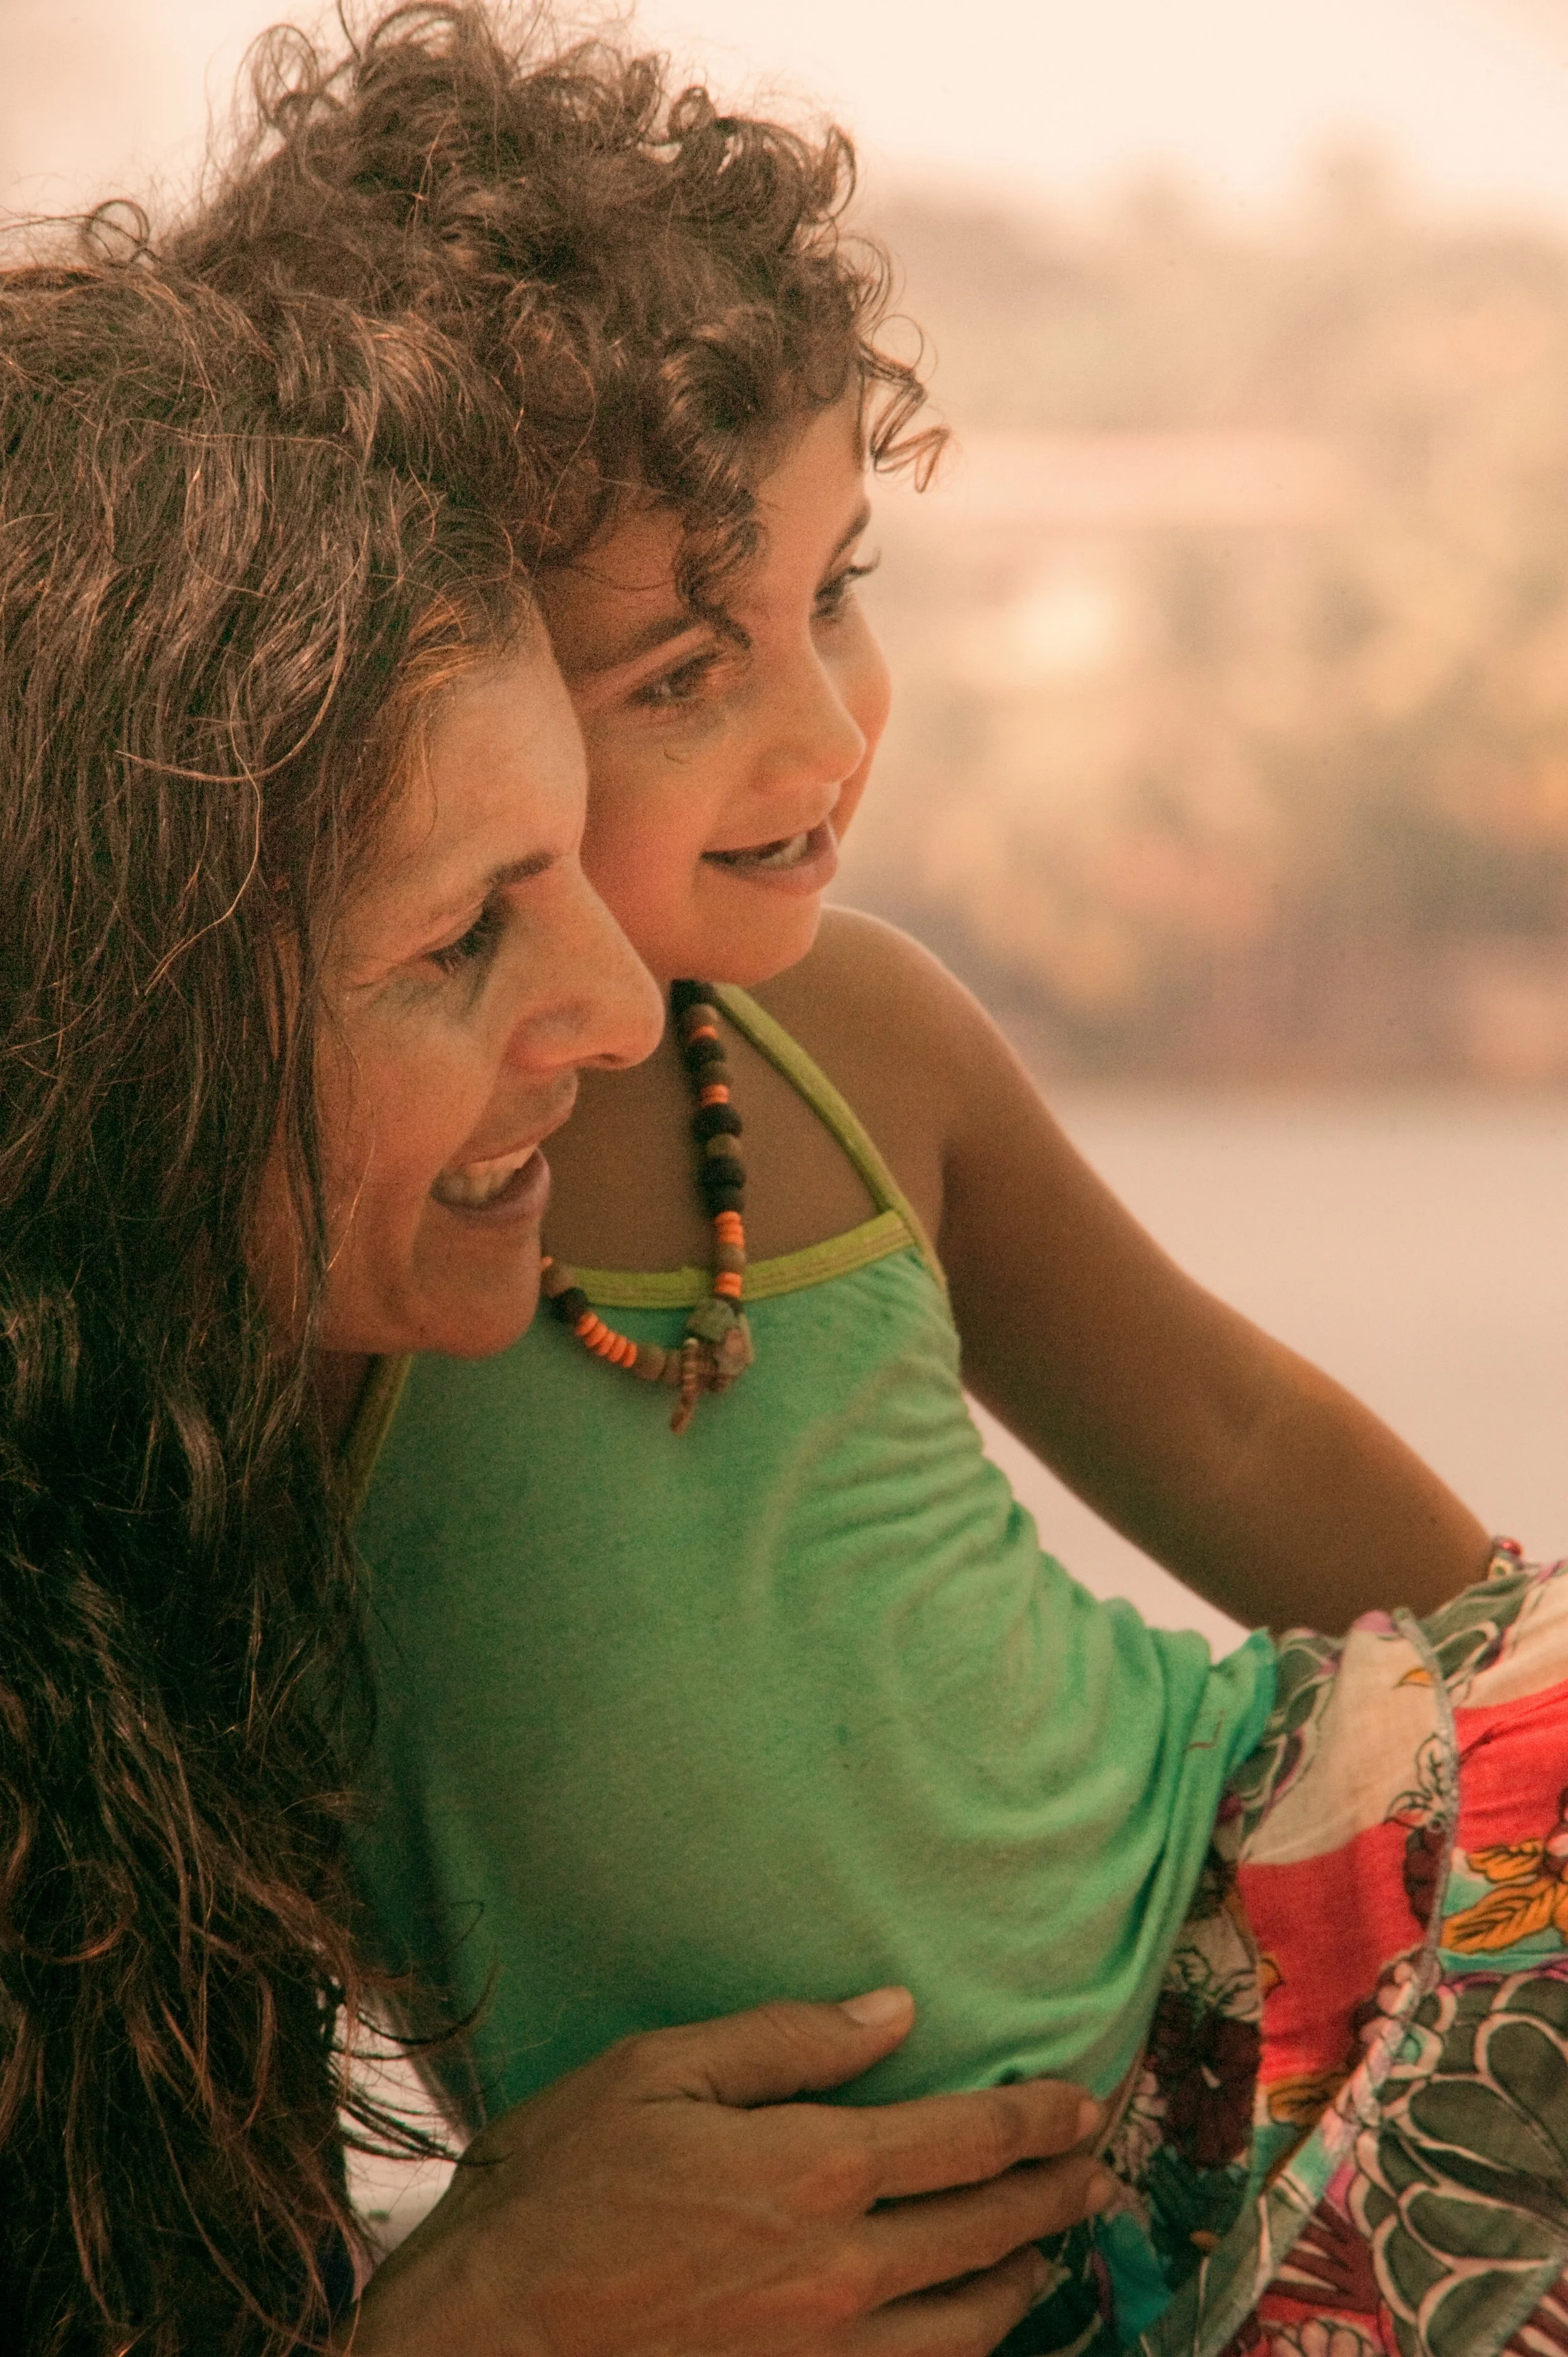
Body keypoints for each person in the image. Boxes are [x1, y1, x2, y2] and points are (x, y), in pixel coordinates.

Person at [177, 12, 1568, 2354]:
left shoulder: (844, 1041)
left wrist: (1504, 1750)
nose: (823, 736)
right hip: (936, 2266)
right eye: (682, 669)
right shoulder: (320, 1221)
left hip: (1289, 1909)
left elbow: (1224, 1430)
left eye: (835, 588)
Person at [0, 252, 1116, 2357]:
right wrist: (490, 2316)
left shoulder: (166, 1501)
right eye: (455, 942)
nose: (618, 1010)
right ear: (95, 1038)